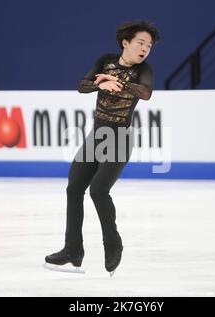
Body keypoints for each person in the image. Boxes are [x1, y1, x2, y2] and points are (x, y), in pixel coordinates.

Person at [45, 21, 160, 276]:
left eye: (149, 45)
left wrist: (115, 80)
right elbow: (82, 85)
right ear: (125, 43)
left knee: (98, 190)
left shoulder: (144, 70)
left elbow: (145, 93)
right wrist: (100, 83)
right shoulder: (104, 60)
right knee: (74, 188)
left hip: (119, 138)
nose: (145, 49)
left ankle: (113, 243)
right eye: (141, 43)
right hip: (97, 135)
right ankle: (72, 250)